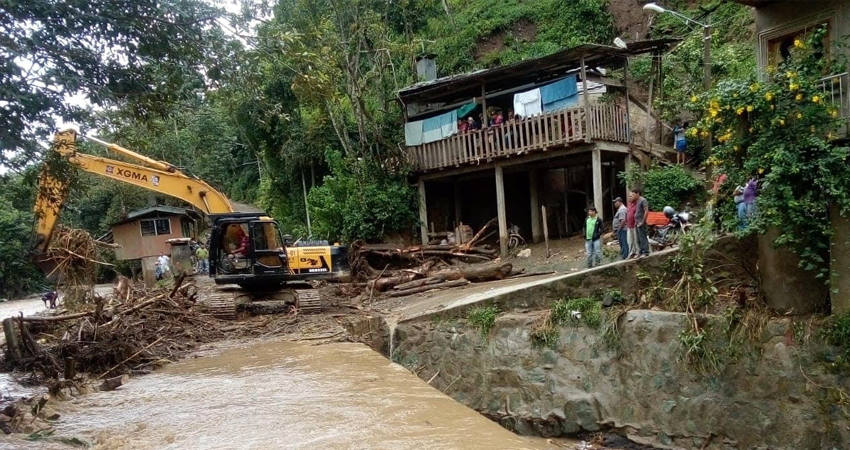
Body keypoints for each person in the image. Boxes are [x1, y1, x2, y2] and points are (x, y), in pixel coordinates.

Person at [631, 188, 650, 258]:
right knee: (638, 238)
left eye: (634, 194)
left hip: (641, 222)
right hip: (637, 222)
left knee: (642, 237)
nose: (633, 196)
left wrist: (643, 221)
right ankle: (641, 251)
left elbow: (646, 211)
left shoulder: (643, 200)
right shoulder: (637, 201)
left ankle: (645, 252)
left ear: (638, 194)